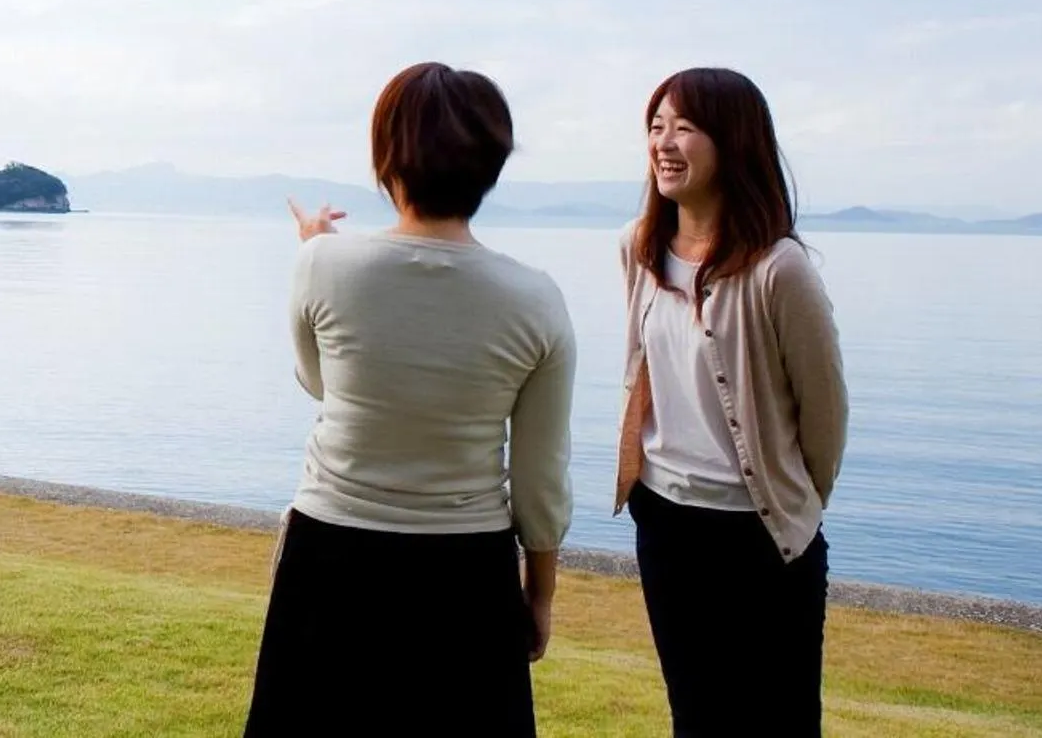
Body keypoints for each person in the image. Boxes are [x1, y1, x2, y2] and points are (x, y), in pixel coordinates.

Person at [245, 62, 577, 737]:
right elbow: (540, 479)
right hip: (467, 573)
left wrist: (316, 253)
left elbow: (320, 384)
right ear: (490, 163)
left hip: (329, 556)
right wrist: (538, 594)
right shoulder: (536, 298)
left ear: (386, 159)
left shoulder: (321, 264)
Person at [616, 68, 848, 736]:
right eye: (655, 126)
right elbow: (641, 371)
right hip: (664, 523)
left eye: (683, 126)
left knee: (779, 721)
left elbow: (823, 415)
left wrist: (792, 498)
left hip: (761, 534)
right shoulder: (637, 250)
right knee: (695, 717)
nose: (664, 141)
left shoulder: (780, 269)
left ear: (732, 141)